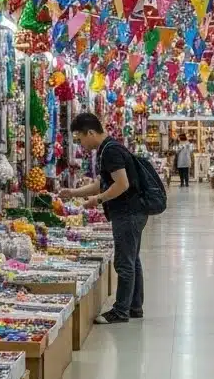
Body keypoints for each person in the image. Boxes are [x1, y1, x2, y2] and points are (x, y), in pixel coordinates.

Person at [57, 112, 148, 324]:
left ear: (90, 132)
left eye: (80, 139)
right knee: (132, 259)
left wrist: (98, 200)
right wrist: (73, 192)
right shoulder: (109, 148)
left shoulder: (110, 151)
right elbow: (104, 183)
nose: (80, 144)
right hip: (134, 211)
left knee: (124, 262)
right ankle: (134, 307)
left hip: (127, 212)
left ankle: (121, 311)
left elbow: (121, 184)